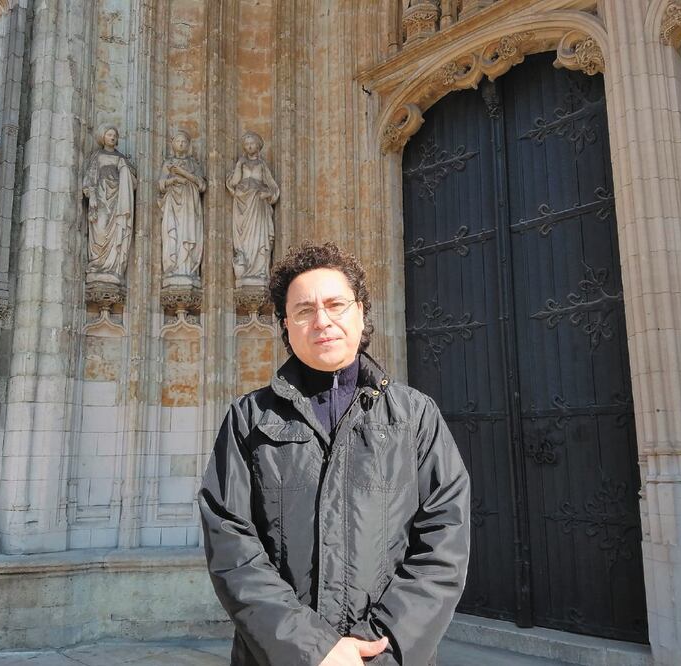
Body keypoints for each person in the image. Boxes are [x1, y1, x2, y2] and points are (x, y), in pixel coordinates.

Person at [199, 242, 471, 665]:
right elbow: (231, 544)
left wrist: (379, 647)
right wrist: (314, 649)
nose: (321, 320)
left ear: (361, 312)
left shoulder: (415, 416)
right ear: (286, 324)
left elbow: (443, 543)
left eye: (336, 304)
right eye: (304, 310)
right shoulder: (249, 418)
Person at [82, 125, 137, 282]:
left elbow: (132, 181)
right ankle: (98, 264)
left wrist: (125, 170)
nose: (112, 137)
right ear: (103, 137)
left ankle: (113, 266)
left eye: (115, 135)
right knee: (100, 230)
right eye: (109, 134)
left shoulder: (121, 159)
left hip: (117, 202)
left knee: (115, 232)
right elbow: (90, 179)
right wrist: (92, 196)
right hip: (101, 198)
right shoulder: (97, 156)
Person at [226, 131, 279, 288]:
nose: (249, 146)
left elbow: (273, 187)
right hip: (243, 203)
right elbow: (234, 182)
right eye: (247, 144)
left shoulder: (262, 165)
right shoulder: (241, 163)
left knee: (259, 239)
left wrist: (267, 194)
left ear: (258, 146)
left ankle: (260, 271)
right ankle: (245, 272)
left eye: (252, 143)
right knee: (244, 241)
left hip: (258, 205)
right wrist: (238, 165)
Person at [158, 129, 206, 285]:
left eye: (184, 141)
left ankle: (187, 268)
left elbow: (202, 184)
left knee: (187, 232)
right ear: (173, 144)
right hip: (172, 202)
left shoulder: (193, 163)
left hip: (189, 204)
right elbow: (161, 184)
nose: (181, 144)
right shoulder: (168, 163)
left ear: (188, 145)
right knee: (173, 233)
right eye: (178, 141)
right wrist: (173, 180)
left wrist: (183, 173)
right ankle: (174, 268)